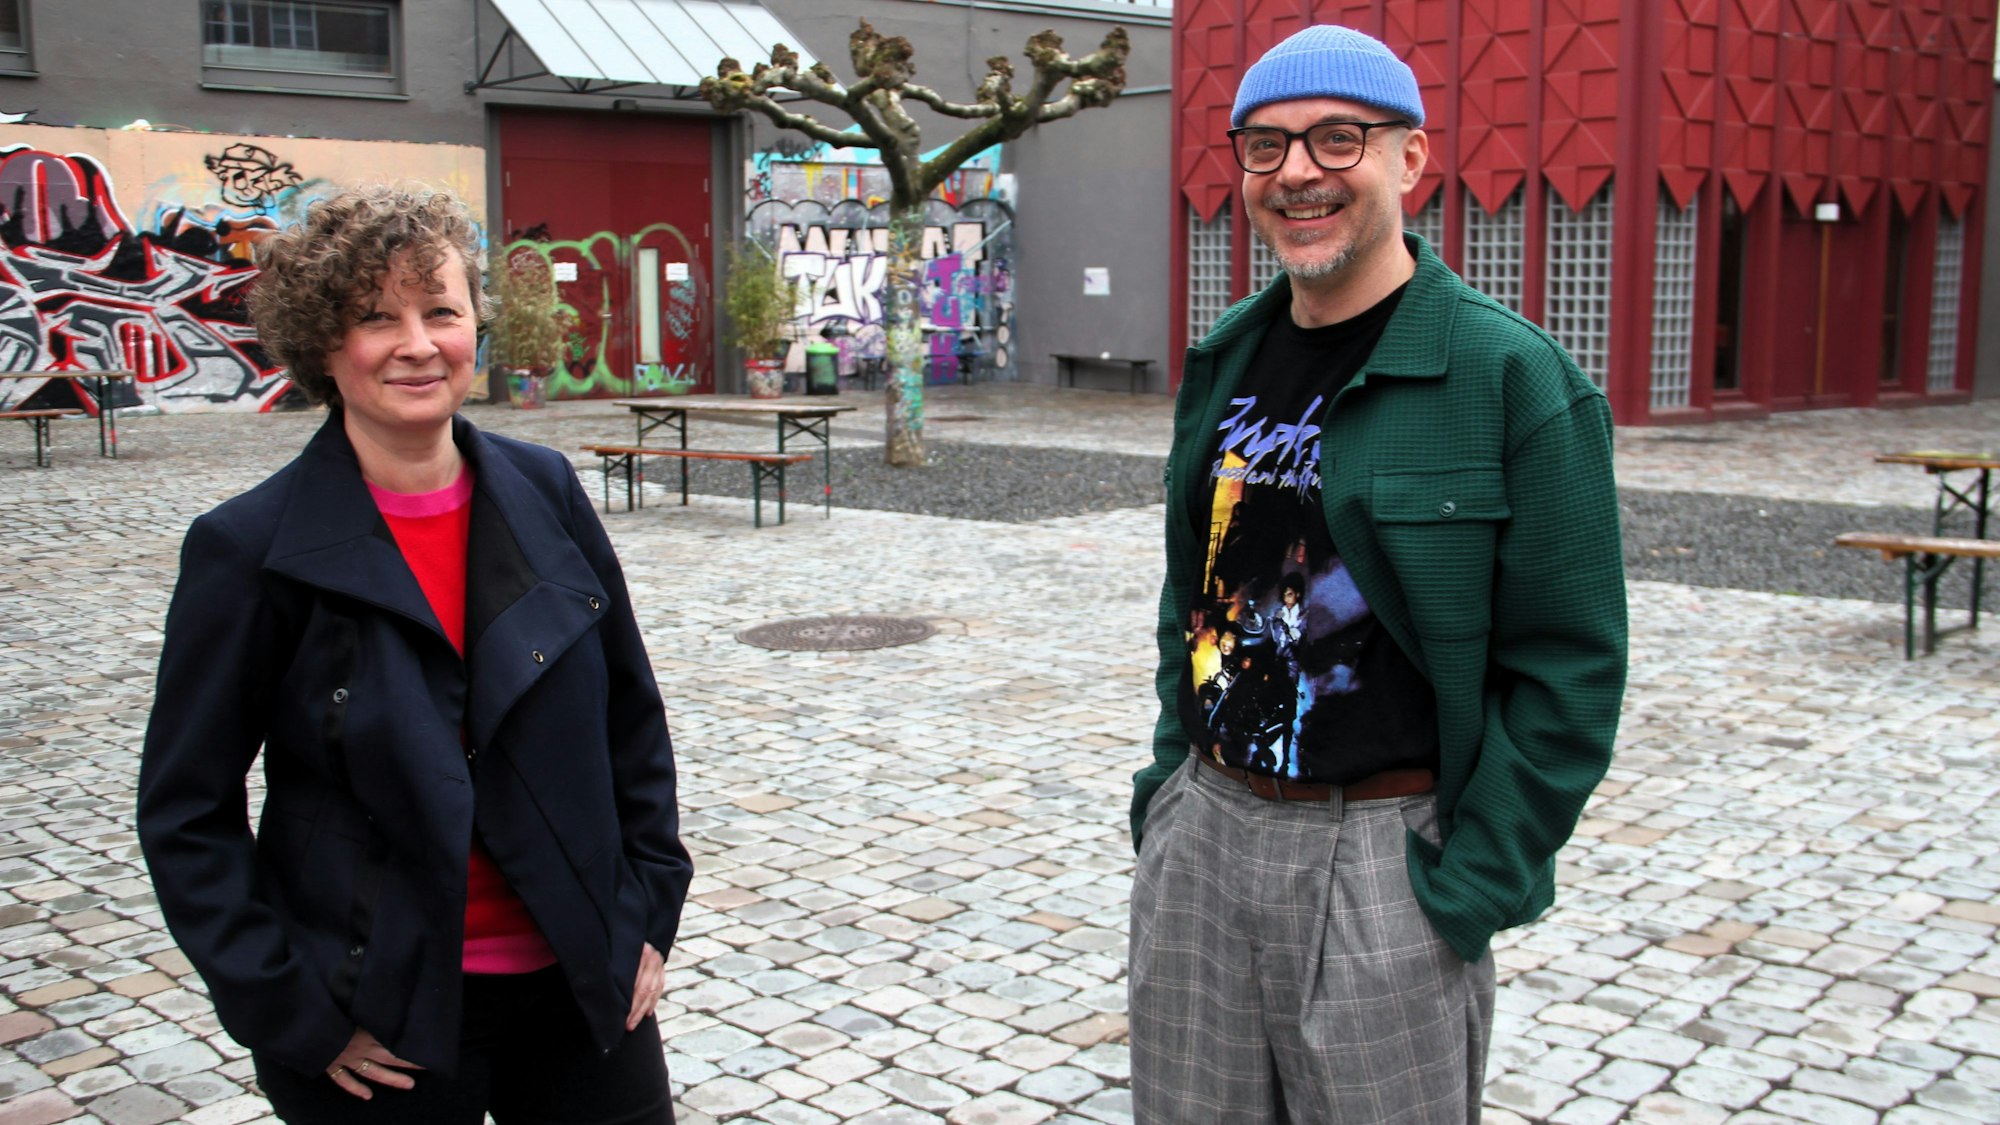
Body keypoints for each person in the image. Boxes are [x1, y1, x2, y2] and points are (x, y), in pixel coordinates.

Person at [1128, 24, 1627, 1123]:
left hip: (1382, 863)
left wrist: (1469, 885)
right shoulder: (1227, 360)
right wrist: (1165, 793)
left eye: (1336, 139)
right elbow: (1192, 595)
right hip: (1203, 845)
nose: (1297, 172)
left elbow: (1570, 666)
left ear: (1410, 159)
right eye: (1263, 147)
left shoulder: (1509, 378)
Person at [137, 185, 692, 1124]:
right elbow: (187, 809)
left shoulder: (544, 488)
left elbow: (628, 716)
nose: (417, 343)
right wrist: (291, 1010)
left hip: (579, 990)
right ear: (323, 344)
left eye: (440, 309)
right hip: (377, 1017)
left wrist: (646, 907)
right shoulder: (248, 547)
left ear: (476, 322)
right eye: (375, 318)